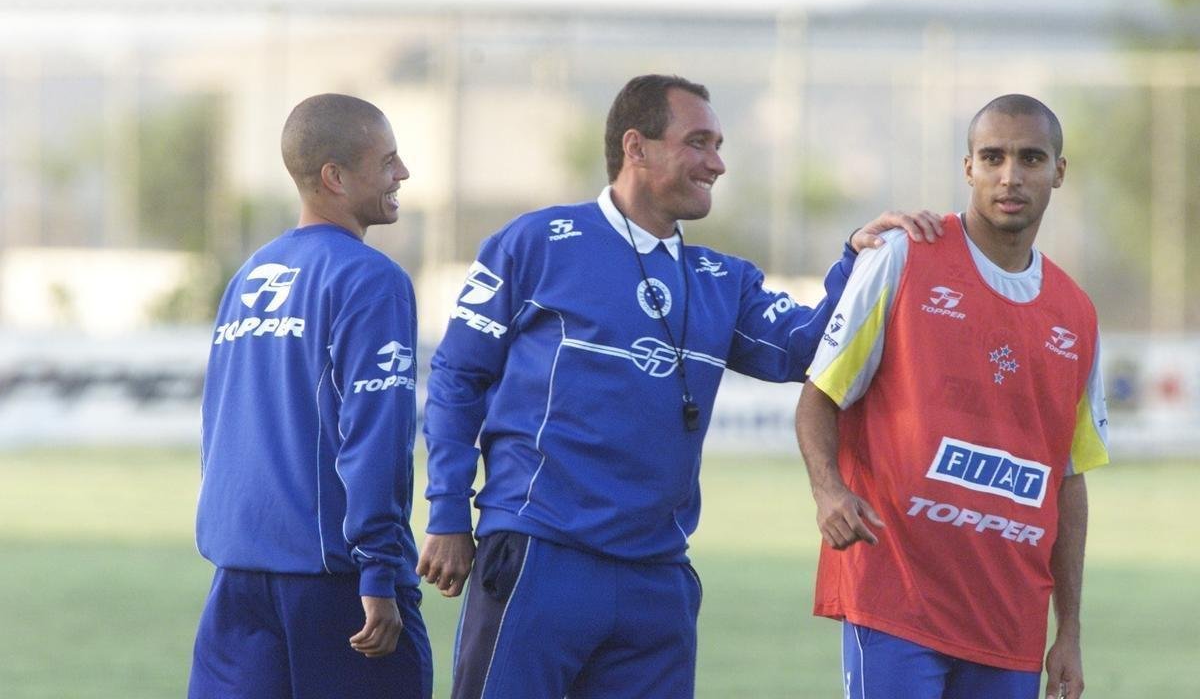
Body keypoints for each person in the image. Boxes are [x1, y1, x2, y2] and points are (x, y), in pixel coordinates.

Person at [418, 73, 943, 698]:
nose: (717, 163)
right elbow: (458, 377)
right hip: (540, 552)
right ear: (635, 147)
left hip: (657, 580)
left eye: (718, 146)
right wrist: (447, 512)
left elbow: (804, 349)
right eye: (698, 143)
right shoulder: (536, 243)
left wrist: (859, 259)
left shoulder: (723, 280)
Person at [795, 94, 1109, 699]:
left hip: (1010, 621)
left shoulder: (1076, 313)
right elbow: (820, 396)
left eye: (1030, 158)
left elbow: (1068, 479)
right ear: (968, 168)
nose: (1010, 176)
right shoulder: (904, 256)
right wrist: (827, 490)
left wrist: (1068, 630)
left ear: (1058, 172)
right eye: (992, 157)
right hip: (896, 599)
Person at [188, 94, 432, 699]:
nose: (402, 174)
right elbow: (376, 433)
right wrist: (379, 570)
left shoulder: (249, 274)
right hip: (336, 580)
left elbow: (220, 421)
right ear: (335, 177)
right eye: (388, 161)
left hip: (238, 578)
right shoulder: (371, 278)